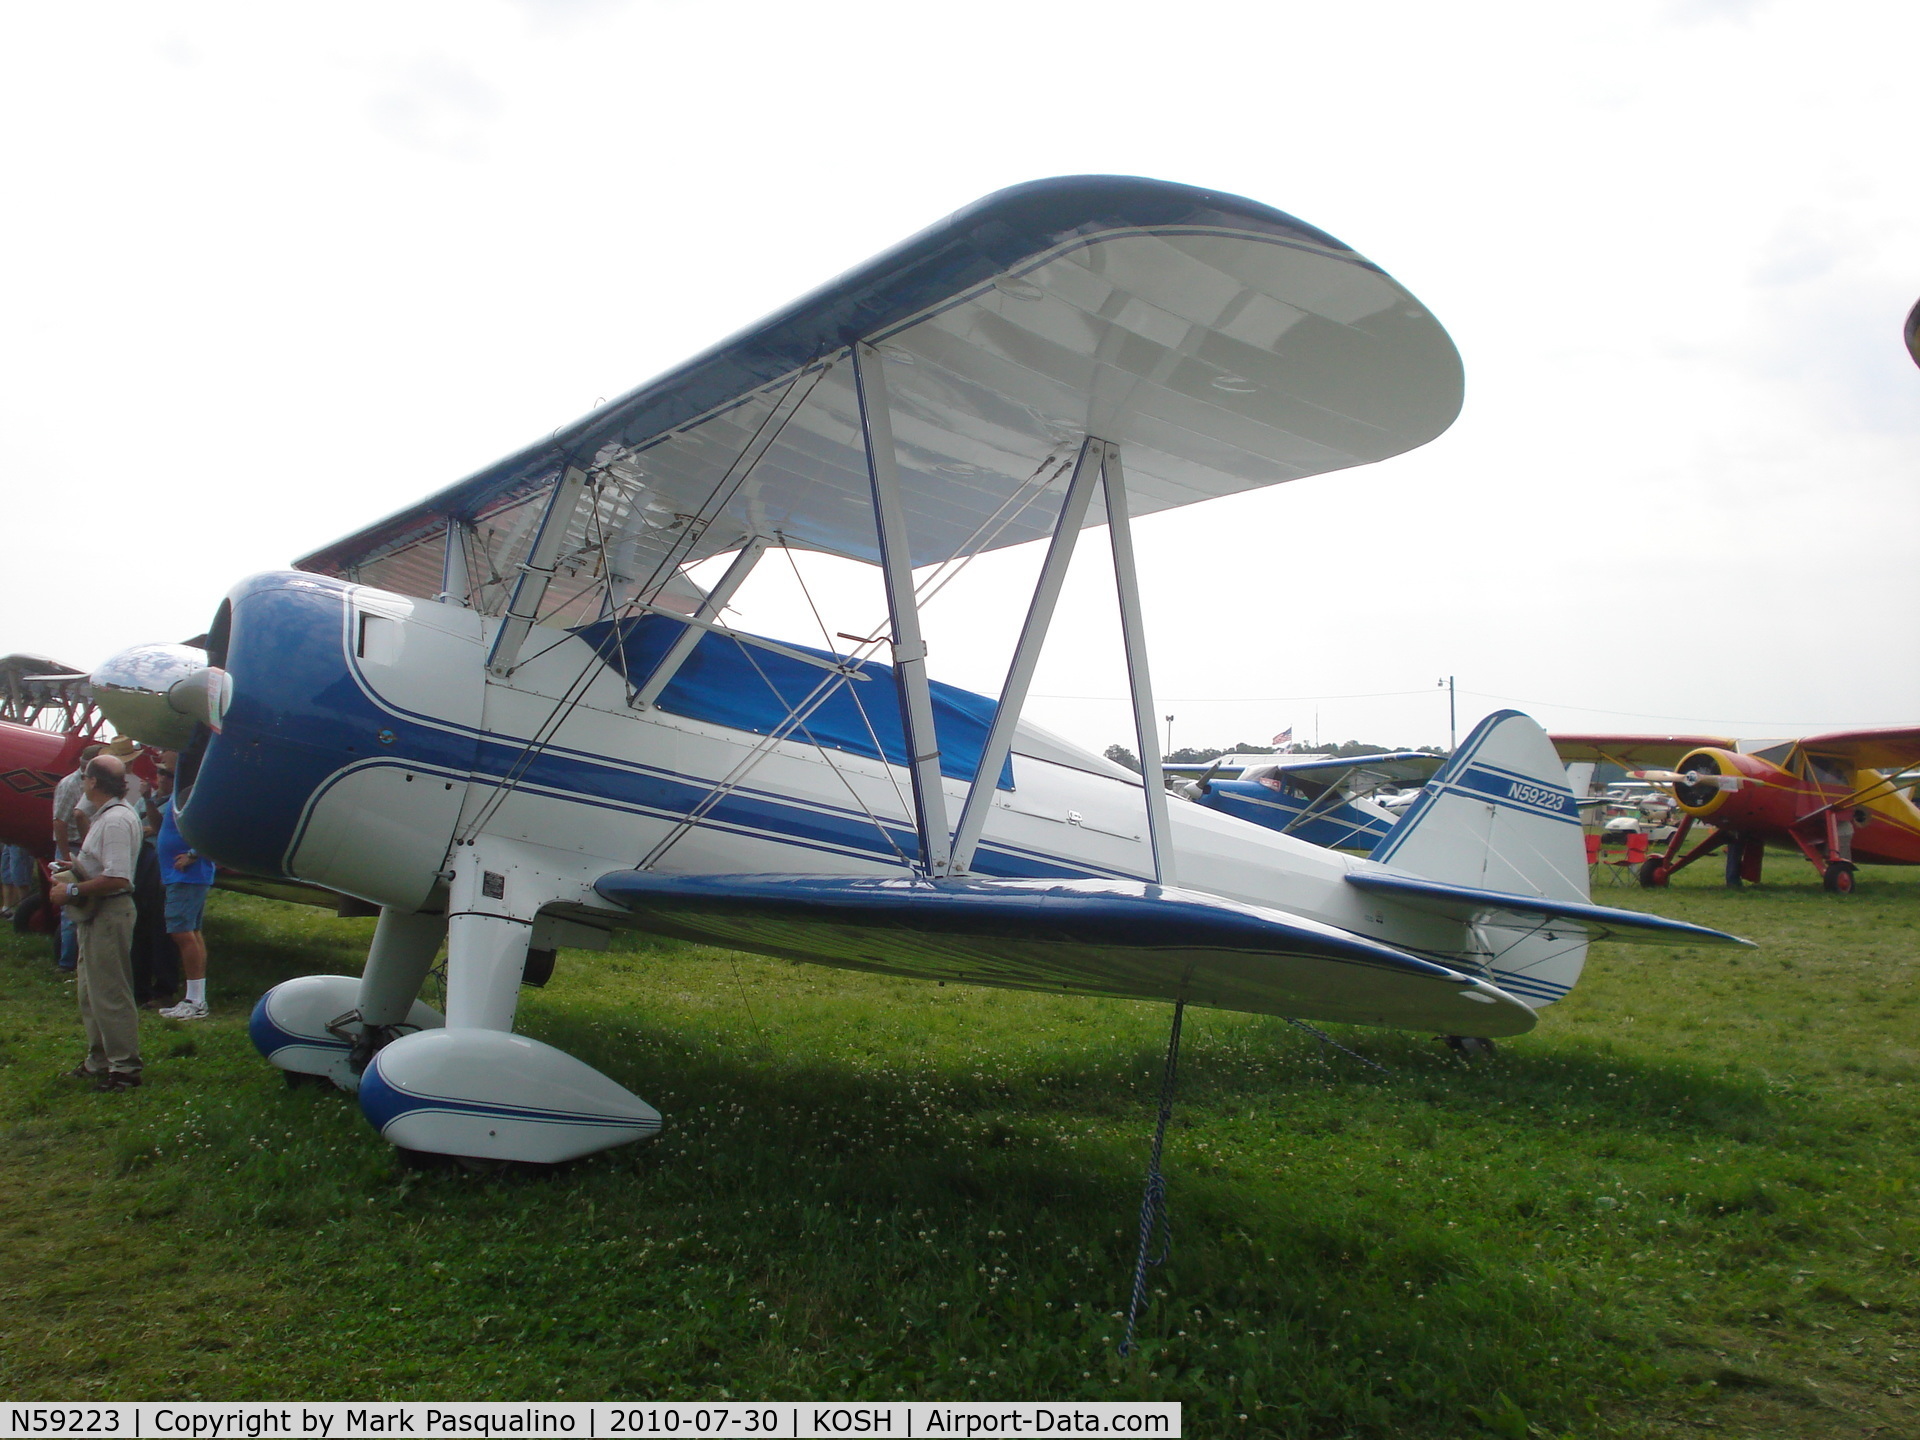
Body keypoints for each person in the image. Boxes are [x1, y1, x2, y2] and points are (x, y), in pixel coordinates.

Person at [47, 753, 144, 1091]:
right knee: (90, 992)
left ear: (93, 782)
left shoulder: (115, 820)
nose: (83, 781)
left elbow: (118, 877)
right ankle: (100, 1059)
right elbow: (104, 866)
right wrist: (74, 868)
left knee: (110, 993)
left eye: (86, 777)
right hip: (97, 913)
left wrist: (71, 888)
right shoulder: (106, 816)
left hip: (110, 912)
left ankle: (125, 1069)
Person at [154, 761, 212, 1020]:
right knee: (192, 932)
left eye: (166, 770)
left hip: (186, 873)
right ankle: (196, 997)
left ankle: (196, 1000)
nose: (161, 773)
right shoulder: (187, 787)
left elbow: (214, 823)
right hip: (181, 873)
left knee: (182, 932)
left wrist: (192, 854)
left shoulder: (196, 788)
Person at [50, 742, 106, 973]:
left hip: (89, 847)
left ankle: (82, 959)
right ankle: (67, 963)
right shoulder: (69, 785)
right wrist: (66, 857)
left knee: (87, 903)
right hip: (74, 847)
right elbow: (59, 822)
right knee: (72, 909)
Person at [1, 842, 32, 917]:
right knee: (6, 871)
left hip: (20, 838)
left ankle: (24, 912)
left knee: (20, 874)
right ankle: (7, 909)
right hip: (9, 837)